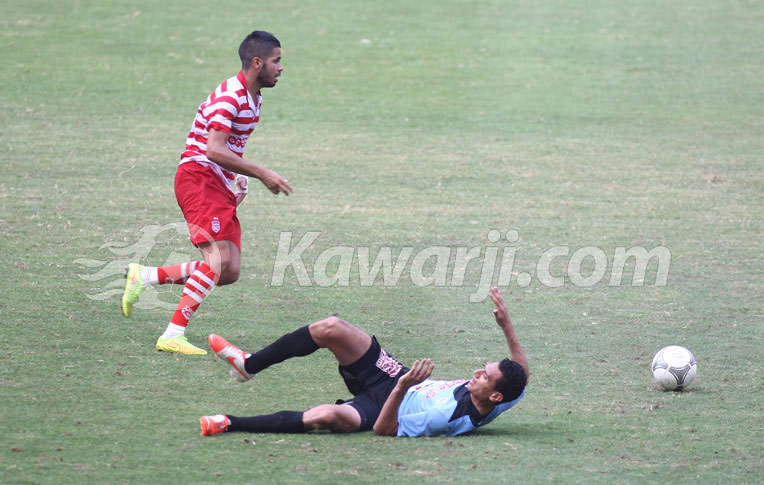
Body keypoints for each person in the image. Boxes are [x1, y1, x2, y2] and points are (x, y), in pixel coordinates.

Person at [121, 31, 294, 355]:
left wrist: (236, 177)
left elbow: (229, 148)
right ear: (257, 63)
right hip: (199, 176)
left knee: (228, 271)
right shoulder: (232, 96)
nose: (281, 68)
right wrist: (260, 173)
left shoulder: (253, 96)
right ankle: (172, 334)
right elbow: (213, 149)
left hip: (216, 179)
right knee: (216, 260)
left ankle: (146, 276)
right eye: (276, 61)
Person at [200, 288, 529, 437]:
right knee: (332, 327)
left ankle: (229, 422)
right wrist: (507, 326)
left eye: (484, 376)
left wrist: (402, 386)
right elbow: (522, 374)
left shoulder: (448, 417)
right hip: (397, 378)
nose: (475, 373)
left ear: (494, 395)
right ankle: (249, 364)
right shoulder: (505, 395)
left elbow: (387, 430)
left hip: (381, 408)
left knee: (326, 415)